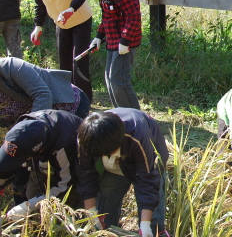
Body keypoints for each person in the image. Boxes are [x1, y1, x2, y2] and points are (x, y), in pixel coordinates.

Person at [12, 0, 93, 102]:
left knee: (79, 61)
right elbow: (39, 2)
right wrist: (38, 26)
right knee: (64, 64)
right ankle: (68, 100)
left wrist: (71, 9)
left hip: (80, 20)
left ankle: (84, 101)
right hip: (61, 23)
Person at [77, 108, 169, 237]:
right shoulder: (87, 138)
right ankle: (107, 232)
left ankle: (153, 231)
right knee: (105, 206)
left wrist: (145, 225)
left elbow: (148, 180)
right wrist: (91, 214)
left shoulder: (138, 136)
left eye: (108, 153)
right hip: (112, 159)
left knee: (153, 214)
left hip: (145, 157)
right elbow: (86, 174)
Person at [0, 110, 83, 221]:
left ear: (38, 151)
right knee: (31, 193)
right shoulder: (22, 130)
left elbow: (64, 186)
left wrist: (28, 206)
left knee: (66, 204)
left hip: (73, 164)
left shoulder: (64, 146)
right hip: (42, 154)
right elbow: (5, 162)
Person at [87, 0, 142, 109]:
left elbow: (133, 17)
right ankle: (121, 113)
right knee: (109, 79)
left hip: (124, 43)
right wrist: (99, 36)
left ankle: (135, 117)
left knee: (118, 81)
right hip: (111, 40)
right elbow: (107, 16)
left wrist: (125, 41)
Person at [0, 57, 90, 126]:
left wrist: (28, 130)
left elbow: (43, 95)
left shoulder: (10, 66)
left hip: (71, 107)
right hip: (39, 121)